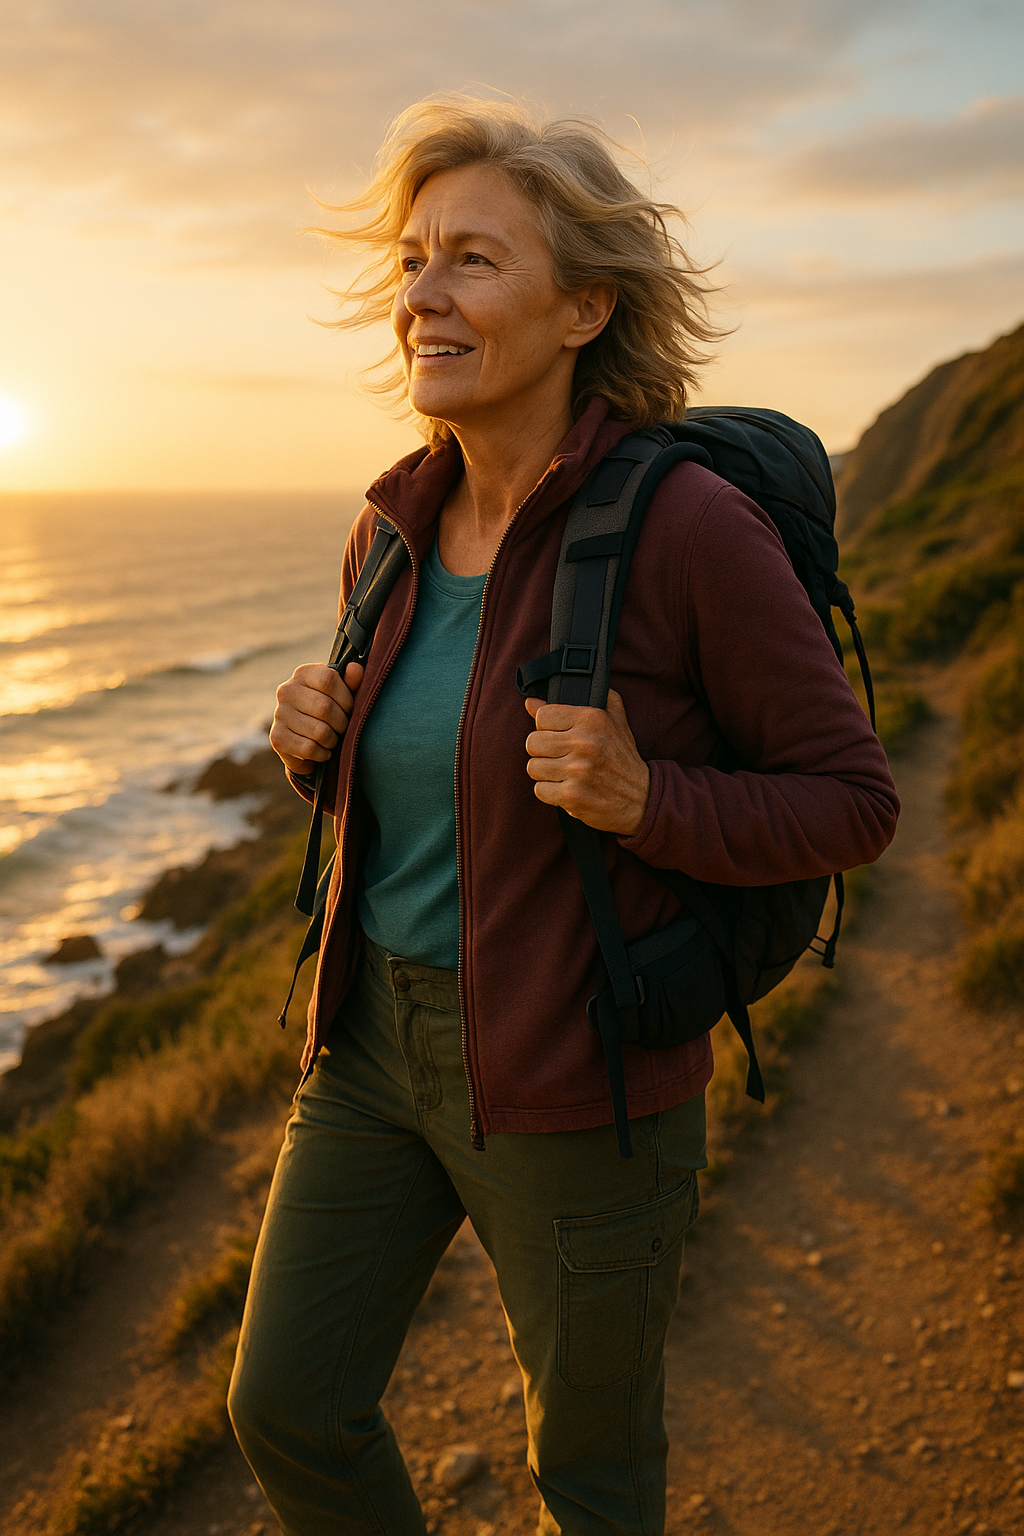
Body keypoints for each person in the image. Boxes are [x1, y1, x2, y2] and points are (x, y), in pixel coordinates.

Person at [228, 95, 899, 1535]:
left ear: (585, 305)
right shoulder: (392, 522)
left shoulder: (686, 529)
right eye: (414, 259)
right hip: (369, 1051)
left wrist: (651, 800)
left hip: (580, 1078)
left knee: (587, 1475)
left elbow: (854, 802)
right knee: (284, 1406)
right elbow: (434, 785)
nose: (422, 295)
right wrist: (315, 753)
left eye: (473, 259)